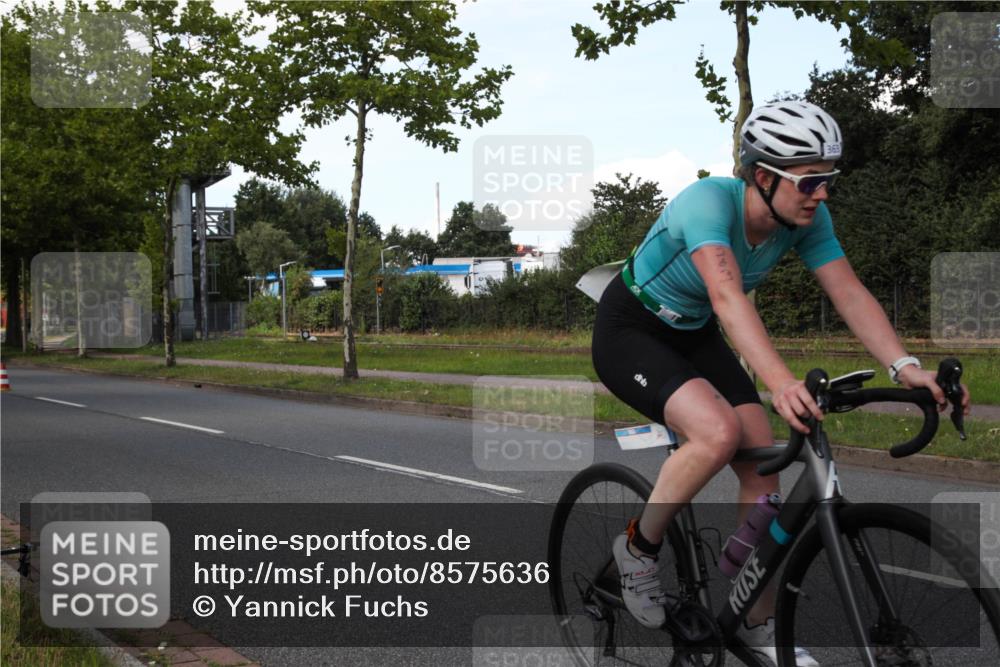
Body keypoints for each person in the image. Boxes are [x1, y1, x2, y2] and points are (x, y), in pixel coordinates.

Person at [590, 101, 971, 666]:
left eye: (829, 180)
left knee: (760, 465)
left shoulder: (807, 219)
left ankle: (755, 622)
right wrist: (779, 381)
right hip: (632, 327)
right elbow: (727, 296)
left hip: (694, 332)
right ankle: (638, 549)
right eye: (812, 181)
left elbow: (848, 291)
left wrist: (905, 366)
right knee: (716, 434)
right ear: (764, 175)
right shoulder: (707, 203)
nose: (822, 194)